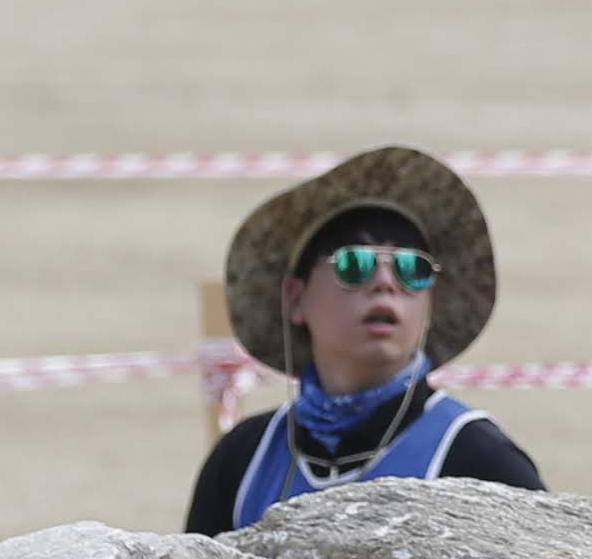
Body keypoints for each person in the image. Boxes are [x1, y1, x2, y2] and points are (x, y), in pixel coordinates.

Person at [192, 147, 546, 531]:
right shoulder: (244, 459)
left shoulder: (478, 459)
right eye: (355, 264)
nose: (384, 283)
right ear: (295, 298)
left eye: (412, 270)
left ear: (431, 303)